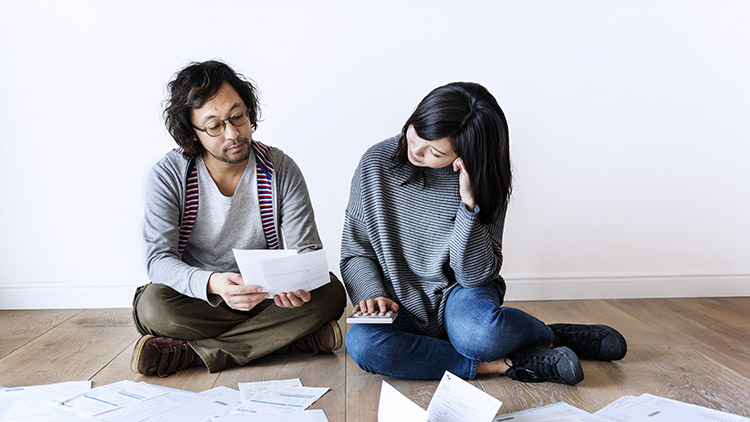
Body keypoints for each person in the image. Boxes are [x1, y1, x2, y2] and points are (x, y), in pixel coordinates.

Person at [341, 82, 626, 384]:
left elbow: (474, 277)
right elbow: (355, 250)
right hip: (398, 301)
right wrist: (373, 294)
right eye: (416, 131)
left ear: (465, 152)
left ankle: (549, 334)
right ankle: (506, 363)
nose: (415, 149)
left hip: (460, 294)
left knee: (481, 335)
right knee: (363, 344)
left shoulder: (482, 179)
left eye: (434, 151)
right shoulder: (375, 163)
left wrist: (468, 205)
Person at [131, 60, 346, 377]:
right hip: (202, 299)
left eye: (238, 117)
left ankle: (193, 354)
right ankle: (283, 340)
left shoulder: (279, 168)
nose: (233, 133)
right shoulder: (169, 174)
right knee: (152, 306)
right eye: (215, 126)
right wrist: (214, 283)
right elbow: (158, 260)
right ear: (192, 133)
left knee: (329, 292)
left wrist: (294, 283)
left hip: (266, 295)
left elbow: (307, 250)